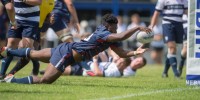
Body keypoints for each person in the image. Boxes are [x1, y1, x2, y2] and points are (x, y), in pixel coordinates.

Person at [0, 14, 151, 84]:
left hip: (67, 48)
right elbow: (120, 37)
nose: (117, 28)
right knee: (45, 80)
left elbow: (121, 53)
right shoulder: (104, 33)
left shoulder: (108, 36)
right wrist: (137, 27)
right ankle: (10, 81)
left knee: (33, 53)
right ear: (108, 26)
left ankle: (7, 51)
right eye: (115, 26)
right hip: (67, 55)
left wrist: (134, 52)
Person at [0, 0, 42, 79]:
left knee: (25, 48)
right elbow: (9, 7)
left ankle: (10, 74)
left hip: (32, 20)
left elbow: (39, 1)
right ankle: (1, 74)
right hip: (16, 18)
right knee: (11, 44)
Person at [149, 0, 188, 78]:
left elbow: (187, 13)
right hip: (168, 24)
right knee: (172, 48)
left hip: (179, 25)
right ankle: (176, 73)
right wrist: (151, 26)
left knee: (173, 50)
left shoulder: (184, 1)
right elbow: (156, 13)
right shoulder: (163, 0)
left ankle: (165, 72)